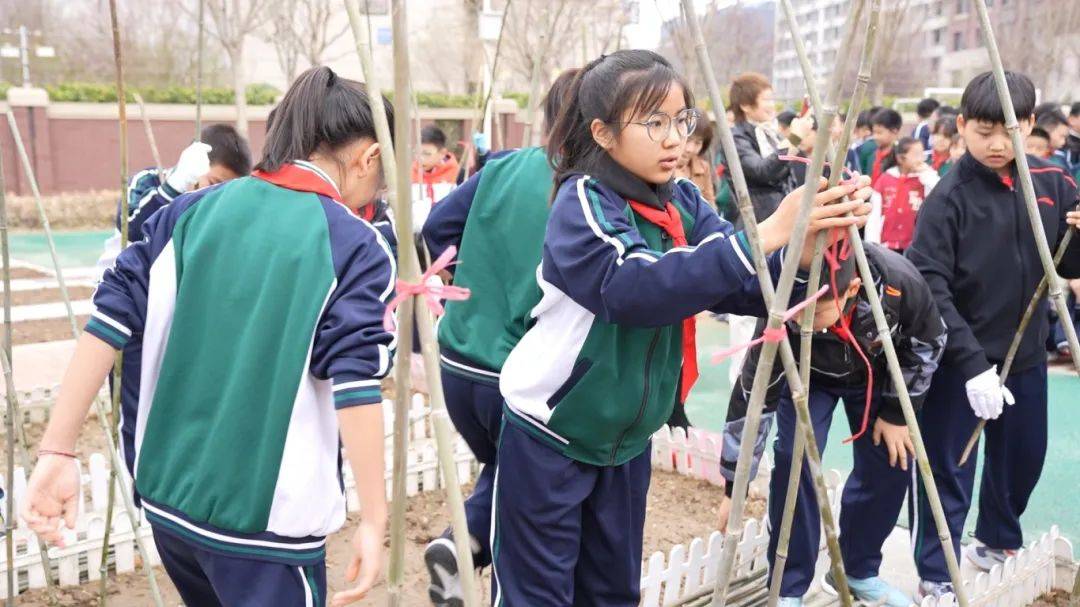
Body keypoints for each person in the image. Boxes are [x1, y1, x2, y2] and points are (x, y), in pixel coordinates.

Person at [491, 49, 872, 606]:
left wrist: (805, 255)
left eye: (681, 120)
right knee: (537, 596)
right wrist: (767, 233)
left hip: (625, 442)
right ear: (602, 133)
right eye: (654, 123)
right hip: (551, 433)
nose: (676, 139)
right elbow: (629, 287)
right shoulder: (583, 202)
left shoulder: (682, 201)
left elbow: (739, 284)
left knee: (612, 593)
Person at [21, 67, 398, 607]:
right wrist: (375, 519)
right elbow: (355, 383)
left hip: (170, 507)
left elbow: (107, 321)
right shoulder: (355, 245)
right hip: (265, 529)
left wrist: (57, 449)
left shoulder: (186, 212)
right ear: (369, 157)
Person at [906, 70, 1080, 599]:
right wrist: (970, 362)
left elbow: (1066, 264)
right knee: (949, 466)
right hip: (960, 359)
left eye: (1012, 129)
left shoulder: (1052, 183)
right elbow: (930, 285)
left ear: (1030, 124)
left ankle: (996, 540)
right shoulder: (948, 198)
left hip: (1025, 353)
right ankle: (936, 571)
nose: (999, 143)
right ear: (962, 126)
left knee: (1023, 454)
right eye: (985, 131)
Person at [418, 68, 579, 606]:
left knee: (512, 475)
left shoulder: (504, 166)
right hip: (518, 375)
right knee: (529, 509)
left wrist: (472, 278)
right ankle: (467, 542)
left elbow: (434, 230)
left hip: (458, 361)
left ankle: (463, 543)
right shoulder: (584, 191)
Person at [719, 243, 946, 607]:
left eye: (815, 312)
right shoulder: (785, 310)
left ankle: (859, 569)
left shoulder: (897, 282)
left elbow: (929, 342)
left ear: (852, 289)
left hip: (875, 373)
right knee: (794, 461)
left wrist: (896, 414)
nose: (801, 321)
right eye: (797, 312)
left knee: (892, 461)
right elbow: (752, 399)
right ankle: (788, 586)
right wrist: (735, 485)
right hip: (806, 378)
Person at [730, 72, 814, 385]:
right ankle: (741, 384)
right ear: (745, 105)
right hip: (758, 228)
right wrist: (792, 140)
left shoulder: (769, 133)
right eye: (766, 99)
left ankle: (769, 382)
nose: (772, 105)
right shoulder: (735, 137)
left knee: (778, 307)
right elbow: (763, 171)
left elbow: (786, 174)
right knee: (746, 313)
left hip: (784, 228)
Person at [94, 123, 251, 280]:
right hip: (124, 285)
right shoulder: (146, 181)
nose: (217, 194)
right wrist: (172, 189)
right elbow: (130, 230)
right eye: (213, 183)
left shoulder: (223, 207)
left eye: (227, 190)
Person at [866, 137, 940, 253]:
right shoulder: (885, 179)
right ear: (900, 158)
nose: (921, 159)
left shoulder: (925, 179)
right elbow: (874, 216)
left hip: (914, 245)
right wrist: (873, 244)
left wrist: (927, 172)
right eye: (916, 155)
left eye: (922, 154)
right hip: (886, 245)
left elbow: (938, 193)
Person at [676, 110, 716, 203]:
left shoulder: (703, 167)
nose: (690, 149)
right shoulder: (662, 165)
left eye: (697, 143)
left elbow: (710, 204)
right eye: (688, 139)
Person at [857, 108, 903, 182]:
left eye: (879, 133)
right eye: (874, 132)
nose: (875, 136)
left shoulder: (900, 156)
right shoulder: (874, 155)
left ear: (894, 131)